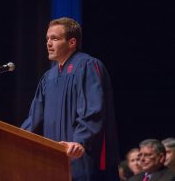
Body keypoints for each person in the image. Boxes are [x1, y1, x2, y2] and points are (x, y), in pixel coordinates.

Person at [21, 17, 119, 181]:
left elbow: (93, 110)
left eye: (55, 38)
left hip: (81, 156)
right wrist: (16, 138)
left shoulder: (87, 66)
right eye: (47, 39)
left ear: (72, 42)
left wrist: (81, 141)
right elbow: (35, 118)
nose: (48, 43)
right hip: (54, 161)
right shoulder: (48, 78)